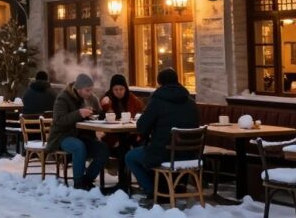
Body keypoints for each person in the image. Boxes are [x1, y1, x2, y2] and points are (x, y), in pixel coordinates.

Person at [125, 68, 200, 202]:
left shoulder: (157, 101)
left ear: (160, 83)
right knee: (149, 151)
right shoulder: (191, 102)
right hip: (190, 155)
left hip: (163, 155)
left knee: (131, 156)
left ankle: (152, 191)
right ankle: (172, 186)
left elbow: (141, 126)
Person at [46, 73, 108, 190]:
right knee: (78, 147)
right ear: (78, 89)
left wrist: (93, 114)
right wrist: (79, 113)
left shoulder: (87, 98)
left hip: (79, 134)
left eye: (91, 90)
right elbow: (59, 120)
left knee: (103, 148)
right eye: (87, 90)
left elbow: (98, 112)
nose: (90, 93)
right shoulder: (63, 98)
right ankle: (78, 183)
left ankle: (87, 180)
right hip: (61, 136)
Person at [99, 74, 145, 151]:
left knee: (143, 142)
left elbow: (143, 111)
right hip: (113, 135)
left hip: (131, 132)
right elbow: (101, 118)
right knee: (124, 143)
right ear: (111, 90)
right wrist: (106, 106)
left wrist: (139, 133)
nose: (119, 92)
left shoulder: (132, 99)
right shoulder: (107, 99)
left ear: (125, 89)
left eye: (121, 89)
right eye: (116, 89)